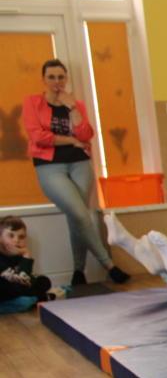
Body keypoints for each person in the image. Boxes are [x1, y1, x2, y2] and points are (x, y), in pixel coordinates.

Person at [21, 59, 127, 286]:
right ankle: (109, 265)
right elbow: (38, 136)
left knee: (76, 216)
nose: (57, 82)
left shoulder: (75, 104)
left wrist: (73, 108)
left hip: (80, 163)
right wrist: (70, 140)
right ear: (43, 80)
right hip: (49, 166)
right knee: (80, 214)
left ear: (66, 79)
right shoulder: (32, 103)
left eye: (61, 77)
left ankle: (78, 272)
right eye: (51, 77)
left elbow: (86, 134)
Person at [0, 216, 63, 308]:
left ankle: (32, 299)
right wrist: (26, 254)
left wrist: (25, 255)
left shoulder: (19, 256)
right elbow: (22, 283)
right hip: (5, 292)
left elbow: (25, 280)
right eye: (11, 236)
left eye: (21, 237)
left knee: (43, 281)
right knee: (8, 287)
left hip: (18, 289)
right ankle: (38, 298)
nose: (16, 240)